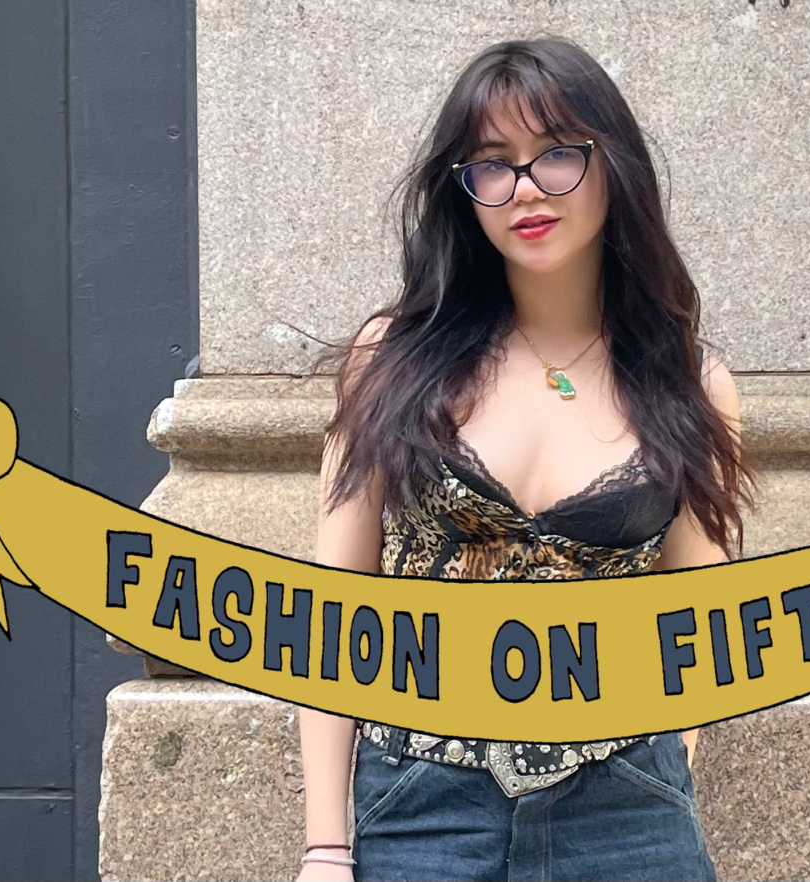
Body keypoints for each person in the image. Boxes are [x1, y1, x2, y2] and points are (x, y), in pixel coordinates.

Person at [296, 36, 756, 882]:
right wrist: (326, 847)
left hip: (625, 806)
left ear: (612, 165)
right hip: (421, 805)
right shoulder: (392, 358)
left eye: (556, 155)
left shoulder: (692, 382)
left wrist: (661, 766)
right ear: (463, 191)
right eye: (492, 165)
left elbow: (699, 627)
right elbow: (337, 616)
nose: (525, 190)